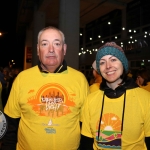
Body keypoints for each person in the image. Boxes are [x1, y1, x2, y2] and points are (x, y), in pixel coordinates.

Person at [2, 26, 90, 150]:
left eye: (57, 44)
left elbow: (86, 126)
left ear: (64, 49)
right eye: (44, 44)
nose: (51, 49)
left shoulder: (80, 79)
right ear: (38, 50)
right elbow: (10, 123)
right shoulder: (22, 78)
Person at [80, 42, 150, 150]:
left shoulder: (145, 99)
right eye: (102, 62)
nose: (108, 66)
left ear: (123, 64)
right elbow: (86, 141)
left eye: (113, 60)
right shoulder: (91, 100)